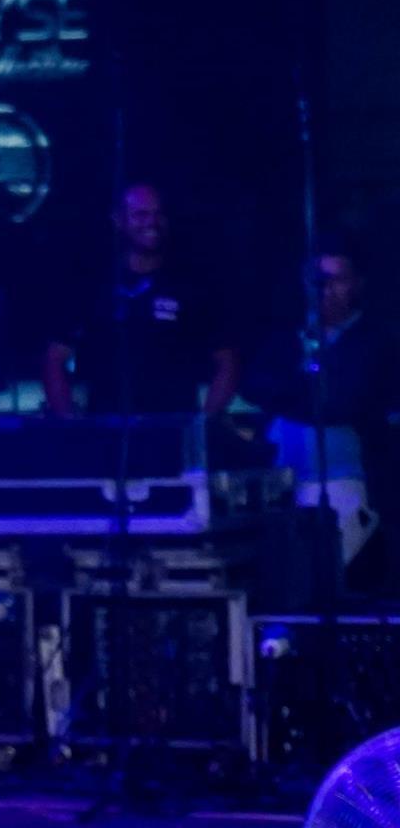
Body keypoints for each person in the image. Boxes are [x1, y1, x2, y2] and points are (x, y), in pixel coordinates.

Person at [246, 242, 396, 575]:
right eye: (318, 280)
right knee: (290, 575)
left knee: (338, 572)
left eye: (337, 279)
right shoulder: (286, 338)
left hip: (350, 483)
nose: (326, 289)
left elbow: (347, 400)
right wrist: (306, 391)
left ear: (357, 283)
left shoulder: (377, 340)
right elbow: (256, 386)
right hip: (284, 483)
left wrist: (292, 393)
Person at [42, 183, 240, 418]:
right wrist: (70, 425)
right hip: (108, 427)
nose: (151, 222)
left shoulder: (191, 284)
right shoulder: (94, 283)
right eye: (140, 214)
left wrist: (204, 424)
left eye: (158, 214)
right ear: (118, 219)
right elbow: (54, 357)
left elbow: (227, 361)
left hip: (171, 429)